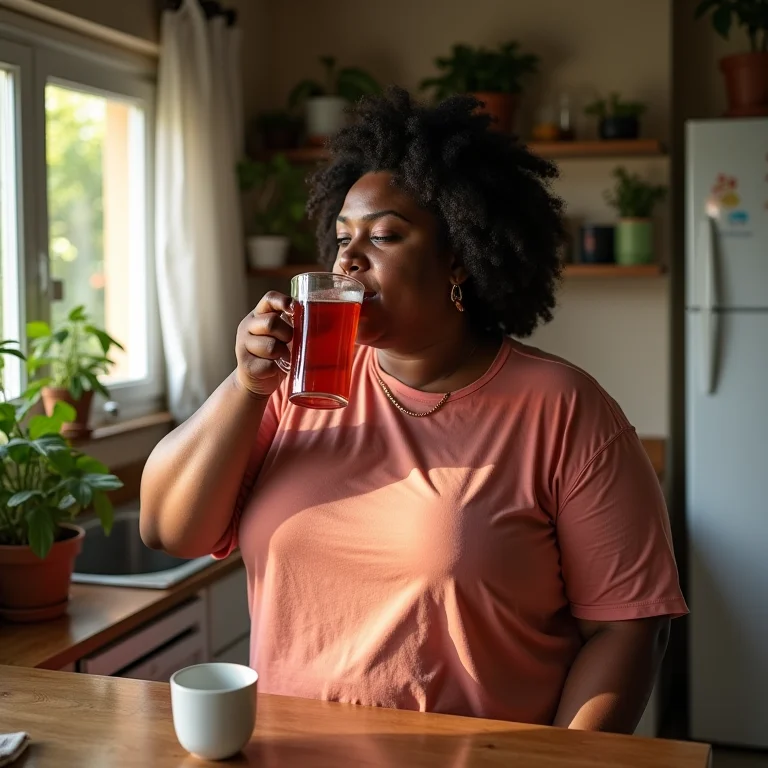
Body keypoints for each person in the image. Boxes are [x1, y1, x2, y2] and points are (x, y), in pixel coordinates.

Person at [140, 87, 687, 734]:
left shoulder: (564, 410)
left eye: (385, 236)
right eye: (342, 238)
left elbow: (626, 631)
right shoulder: (291, 389)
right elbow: (169, 530)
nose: (348, 258)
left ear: (458, 256)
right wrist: (245, 383)